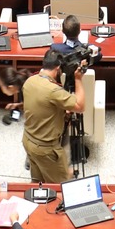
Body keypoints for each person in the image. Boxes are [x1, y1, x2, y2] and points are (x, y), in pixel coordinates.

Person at [21, 50, 81, 182]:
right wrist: (78, 79)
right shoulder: (54, 90)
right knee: (61, 187)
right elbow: (80, 106)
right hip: (46, 150)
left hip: (28, 140)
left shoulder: (29, 81)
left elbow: (41, 107)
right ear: (58, 68)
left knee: (38, 183)